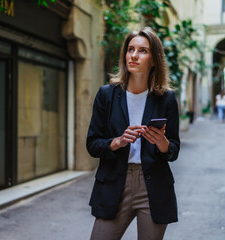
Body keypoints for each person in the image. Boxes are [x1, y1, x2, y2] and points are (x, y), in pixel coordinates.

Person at [86, 27, 180, 240]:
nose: (134, 55)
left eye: (143, 51)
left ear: (154, 59)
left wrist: (162, 142)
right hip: (114, 183)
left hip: (153, 185)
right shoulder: (107, 95)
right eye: (130, 49)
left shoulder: (166, 99)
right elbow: (92, 144)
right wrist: (117, 142)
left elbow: (173, 150)